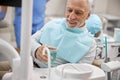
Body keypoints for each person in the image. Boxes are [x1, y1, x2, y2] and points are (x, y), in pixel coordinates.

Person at [31, 0, 96, 68]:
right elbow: (30, 40)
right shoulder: (52, 24)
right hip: (33, 68)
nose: (71, 17)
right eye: (69, 10)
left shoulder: (90, 44)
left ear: (88, 15)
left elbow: (79, 72)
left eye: (78, 13)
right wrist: (36, 49)